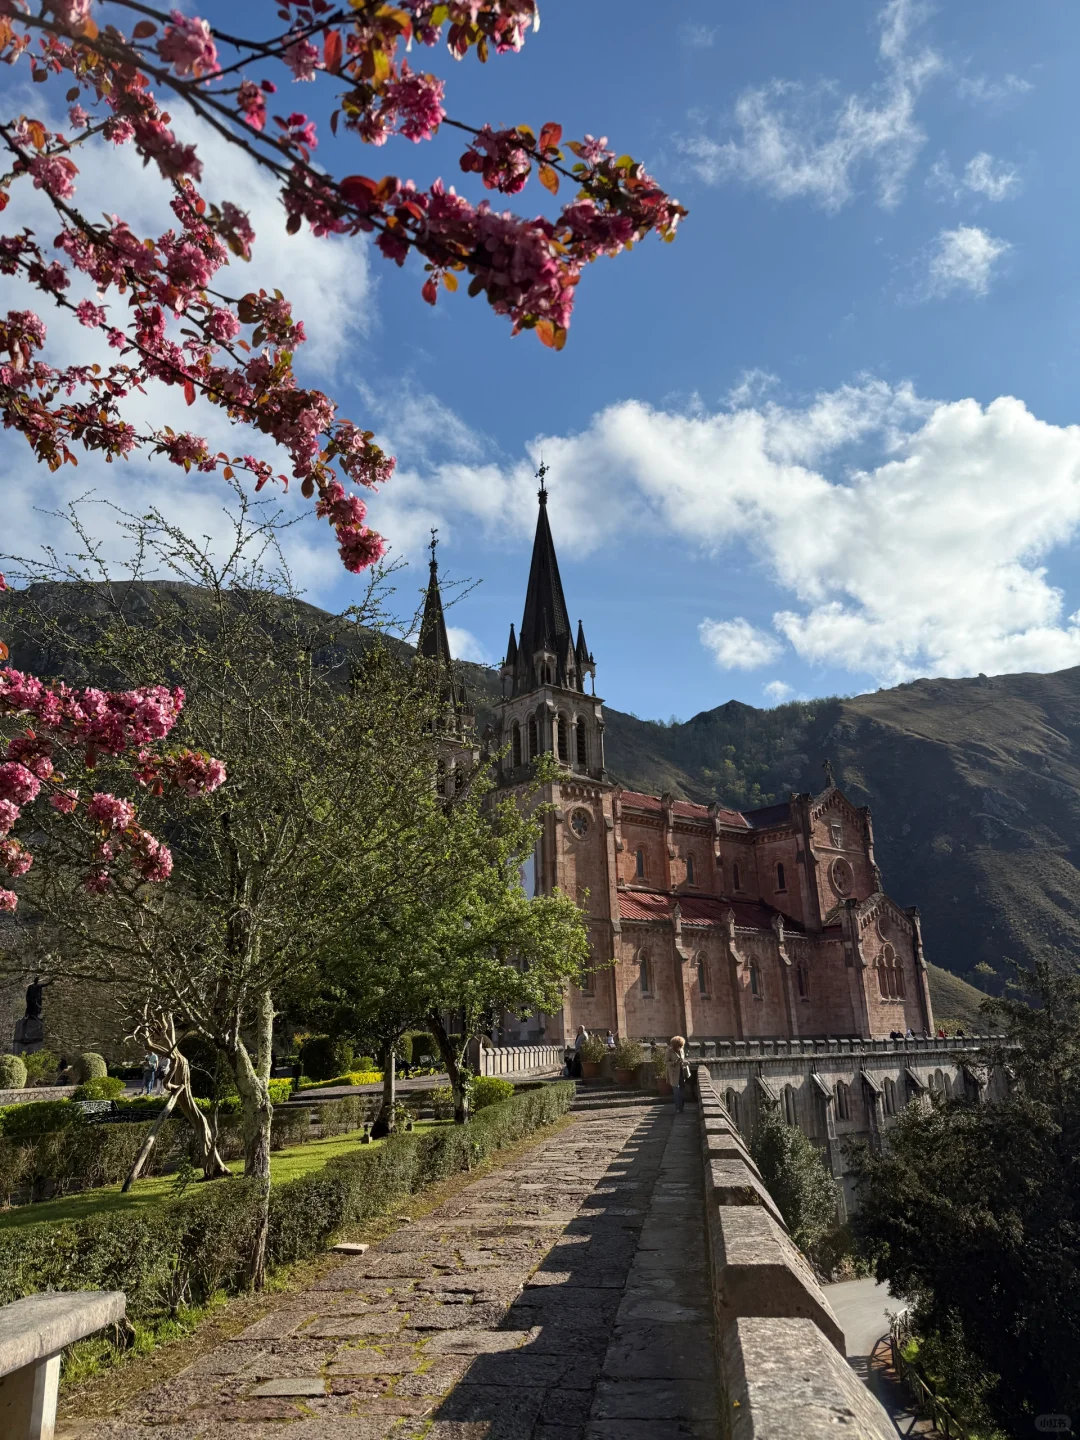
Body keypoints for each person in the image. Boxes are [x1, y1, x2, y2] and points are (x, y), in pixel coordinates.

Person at [665, 1035, 690, 1114]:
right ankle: (678, 1108)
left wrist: (685, 1062)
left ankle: (682, 1107)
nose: (680, 1047)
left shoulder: (681, 1049)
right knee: (676, 1092)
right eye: (678, 1046)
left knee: (682, 1092)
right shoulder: (669, 1051)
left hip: (682, 1073)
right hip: (674, 1074)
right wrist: (675, 1062)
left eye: (681, 1046)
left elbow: (683, 1059)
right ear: (675, 1045)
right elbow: (666, 1062)